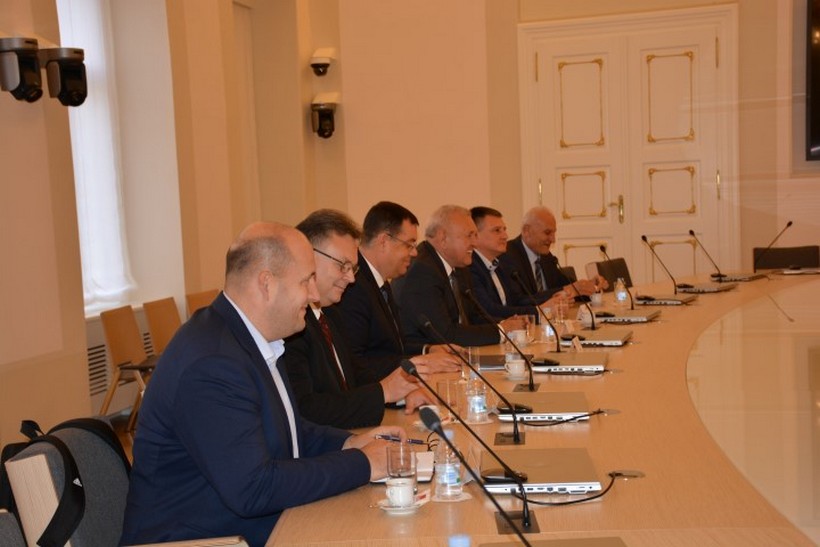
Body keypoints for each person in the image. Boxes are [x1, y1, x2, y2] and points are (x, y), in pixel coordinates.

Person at [121, 222, 404, 547]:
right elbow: (254, 489)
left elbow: (288, 430)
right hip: (200, 540)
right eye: (306, 281)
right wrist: (364, 464)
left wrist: (351, 443)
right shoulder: (213, 363)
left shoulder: (251, 339)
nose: (314, 295)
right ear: (266, 284)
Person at [281, 209, 435, 429]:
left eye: (352, 268)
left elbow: (355, 377)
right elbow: (306, 410)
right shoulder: (290, 326)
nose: (351, 278)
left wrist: (400, 394)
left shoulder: (331, 313)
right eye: (342, 266)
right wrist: (384, 392)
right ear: (309, 258)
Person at [337, 201, 461, 382]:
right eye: (409, 245)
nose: (414, 253)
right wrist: (421, 363)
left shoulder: (380, 281)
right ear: (384, 241)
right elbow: (356, 364)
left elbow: (392, 346)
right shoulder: (353, 286)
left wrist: (427, 350)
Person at [395, 204, 524, 348]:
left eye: (475, 235)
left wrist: (505, 324)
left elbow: (473, 317)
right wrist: (501, 331)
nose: (475, 243)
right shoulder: (422, 272)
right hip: (429, 357)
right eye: (469, 235)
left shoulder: (459, 266)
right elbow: (445, 334)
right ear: (443, 239)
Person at [468, 206, 566, 320]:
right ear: (476, 235)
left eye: (504, 229)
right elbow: (489, 309)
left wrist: (552, 300)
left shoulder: (500, 264)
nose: (505, 236)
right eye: (497, 230)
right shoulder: (470, 267)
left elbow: (517, 300)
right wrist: (539, 310)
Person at [500, 206, 607, 301]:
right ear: (526, 231)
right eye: (547, 233)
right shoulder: (507, 256)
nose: (553, 239)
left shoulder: (546, 256)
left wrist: (591, 286)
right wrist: (569, 290)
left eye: (554, 233)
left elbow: (568, 286)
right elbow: (519, 300)